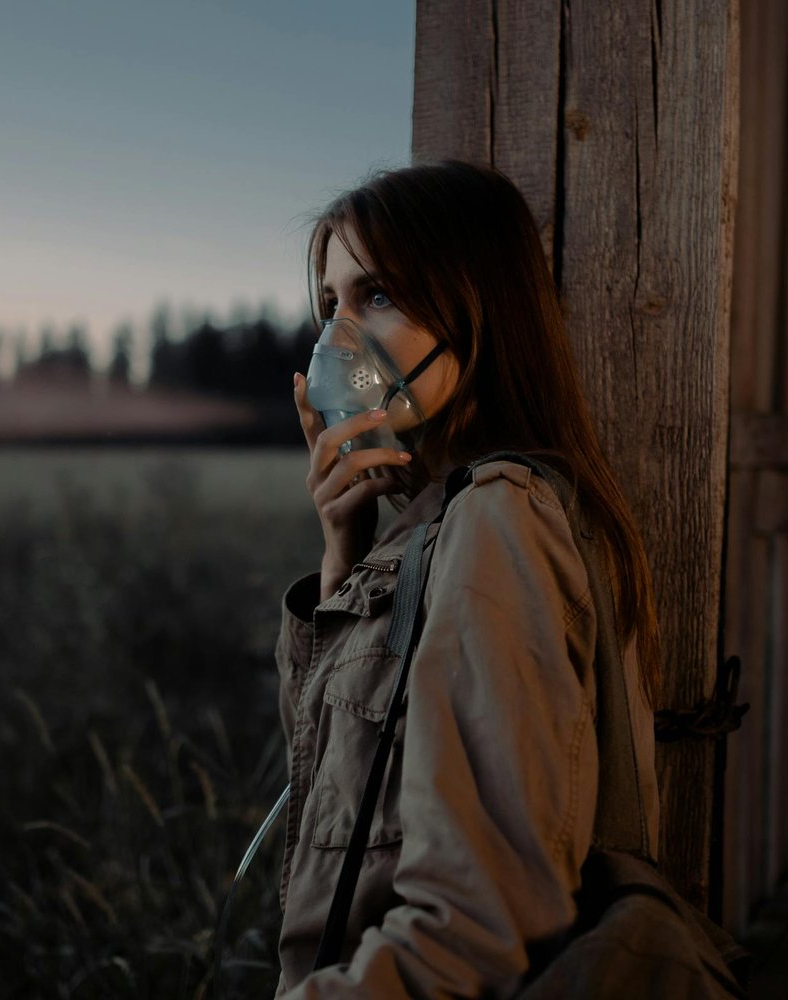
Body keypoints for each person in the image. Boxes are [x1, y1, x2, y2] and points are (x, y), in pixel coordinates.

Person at [273, 159, 666, 998]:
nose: (338, 338)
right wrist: (346, 556)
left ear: (477, 311)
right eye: (331, 304)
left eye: (377, 294)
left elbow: (475, 933)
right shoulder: (445, 524)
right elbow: (334, 800)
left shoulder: (499, 520)